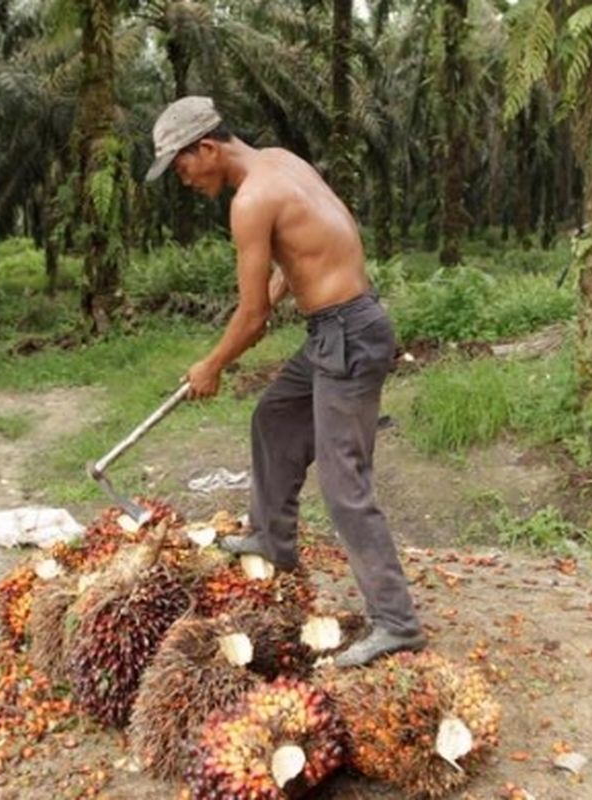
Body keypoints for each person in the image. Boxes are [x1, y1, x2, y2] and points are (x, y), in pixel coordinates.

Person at [145, 96, 427, 668]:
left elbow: (252, 318)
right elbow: (310, 247)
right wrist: (286, 288)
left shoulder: (250, 200)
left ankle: (397, 623)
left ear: (206, 148)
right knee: (274, 418)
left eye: (181, 167)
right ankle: (271, 541)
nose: (184, 179)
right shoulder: (278, 160)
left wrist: (212, 364)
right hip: (340, 328)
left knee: (345, 484)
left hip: (347, 333)